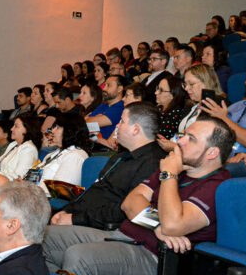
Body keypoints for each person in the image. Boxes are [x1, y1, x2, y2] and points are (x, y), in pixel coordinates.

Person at [45, 116, 236, 275]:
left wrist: (169, 178)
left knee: (80, 258)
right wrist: (157, 226)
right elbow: (130, 203)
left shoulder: (215, 186)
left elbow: (174, 224)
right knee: (45, 238)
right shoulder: (171, 169)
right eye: (184, 134)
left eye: (191, 138)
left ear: (212, 153)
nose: (179, 141)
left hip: (156, 259)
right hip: (125, 236)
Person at [48, 102, 165, 230]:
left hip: (101, 227)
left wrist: (74, 218)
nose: (117, 126)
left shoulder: (153, 163)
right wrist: (65, 211)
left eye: (122, 121)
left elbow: (124, 210)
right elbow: (95, 193)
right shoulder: (120, 157)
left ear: (136, 129)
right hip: (81, 218)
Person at [157, 64, 223, 152]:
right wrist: (168, 142)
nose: (187, 88)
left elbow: (207, 144)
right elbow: (181, 134)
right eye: (185, 84)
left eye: (191, 84)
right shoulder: (191, 106)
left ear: (206, 82)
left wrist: (176, 147)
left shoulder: (217, 105)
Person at [34, 113, 91, 193]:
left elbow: (61, 190)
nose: (52, 131)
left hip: (48, 201)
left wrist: (30, 188)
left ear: (70, 130)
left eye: (57, 127)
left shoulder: (75, 155)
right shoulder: (53, 154)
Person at [0, 113, 42, 180]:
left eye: (16, 126)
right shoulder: (13, 144)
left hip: (10, 187)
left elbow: (19, 177)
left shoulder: (29, 149)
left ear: (27, 130)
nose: (11, 129)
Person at [85, 74, 125, 140]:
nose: (104, 88)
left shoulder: (120, 108)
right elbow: (84, 122)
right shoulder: (103, 105)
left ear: (119, 89)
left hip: (105, 147)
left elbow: (87, 123)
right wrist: (93, 120)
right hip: (93, 142)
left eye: (109, 85)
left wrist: (90, 119)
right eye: (105, 85)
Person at [155, 74, 190, 139]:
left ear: (173, 95)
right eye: (157, 88)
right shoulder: (159, 108)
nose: (156, 92)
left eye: (161, 90)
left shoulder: (175, 113)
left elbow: (161, 137)